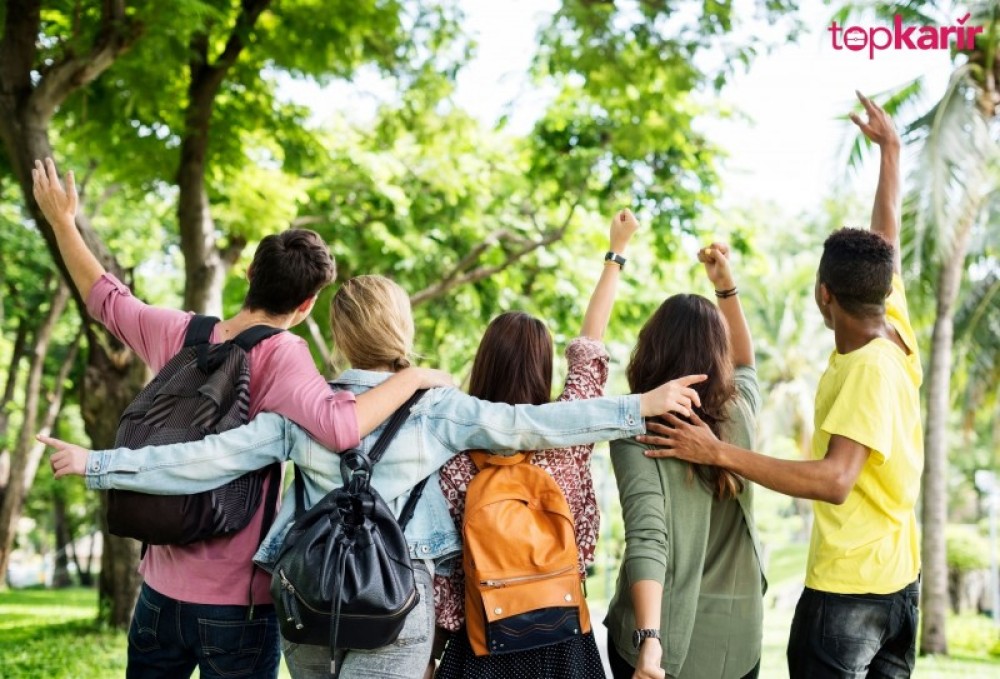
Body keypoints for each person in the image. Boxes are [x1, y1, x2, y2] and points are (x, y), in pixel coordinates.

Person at [43, 272, 706, 679]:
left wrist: (97, 462)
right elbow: (535, 425)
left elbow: (201, 459)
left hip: (307, 606)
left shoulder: (300, 409)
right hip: (398, 609)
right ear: (403, 327)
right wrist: (638, 406)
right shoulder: (436, 406)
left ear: (338, 332)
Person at [31, 157, 449, 679]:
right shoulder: (284, 354)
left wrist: (63, 223)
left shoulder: (179, 333)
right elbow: (341, 427)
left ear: (248, 273)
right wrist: (412, 378)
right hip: (237, 606)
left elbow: (106, 300)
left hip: (158, 594)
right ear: (306, 305)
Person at [639, 92, 923, 678]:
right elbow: (885, 242)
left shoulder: (869, 367)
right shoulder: (893, 326)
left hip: (852, 595)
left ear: (824, 295)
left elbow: (836, 479)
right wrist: (891, 153)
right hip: (901, 585)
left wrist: (717, 451)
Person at [433, 209, 641, 679]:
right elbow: (590, 348)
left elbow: (445, 576)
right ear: (543, 368)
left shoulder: (452, 449)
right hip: (563, 638)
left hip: (481, 643)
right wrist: (616, 252)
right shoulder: (567, 435)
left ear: (483, 363)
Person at [603, 241, 764, 679]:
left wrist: (649, 640)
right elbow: (746, 363)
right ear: (718, 355)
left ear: (651, 348)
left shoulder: (638, 429)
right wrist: (726, 288)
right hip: (737, 643)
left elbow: (647, 538)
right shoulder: (740, 413)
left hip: (666, 646)